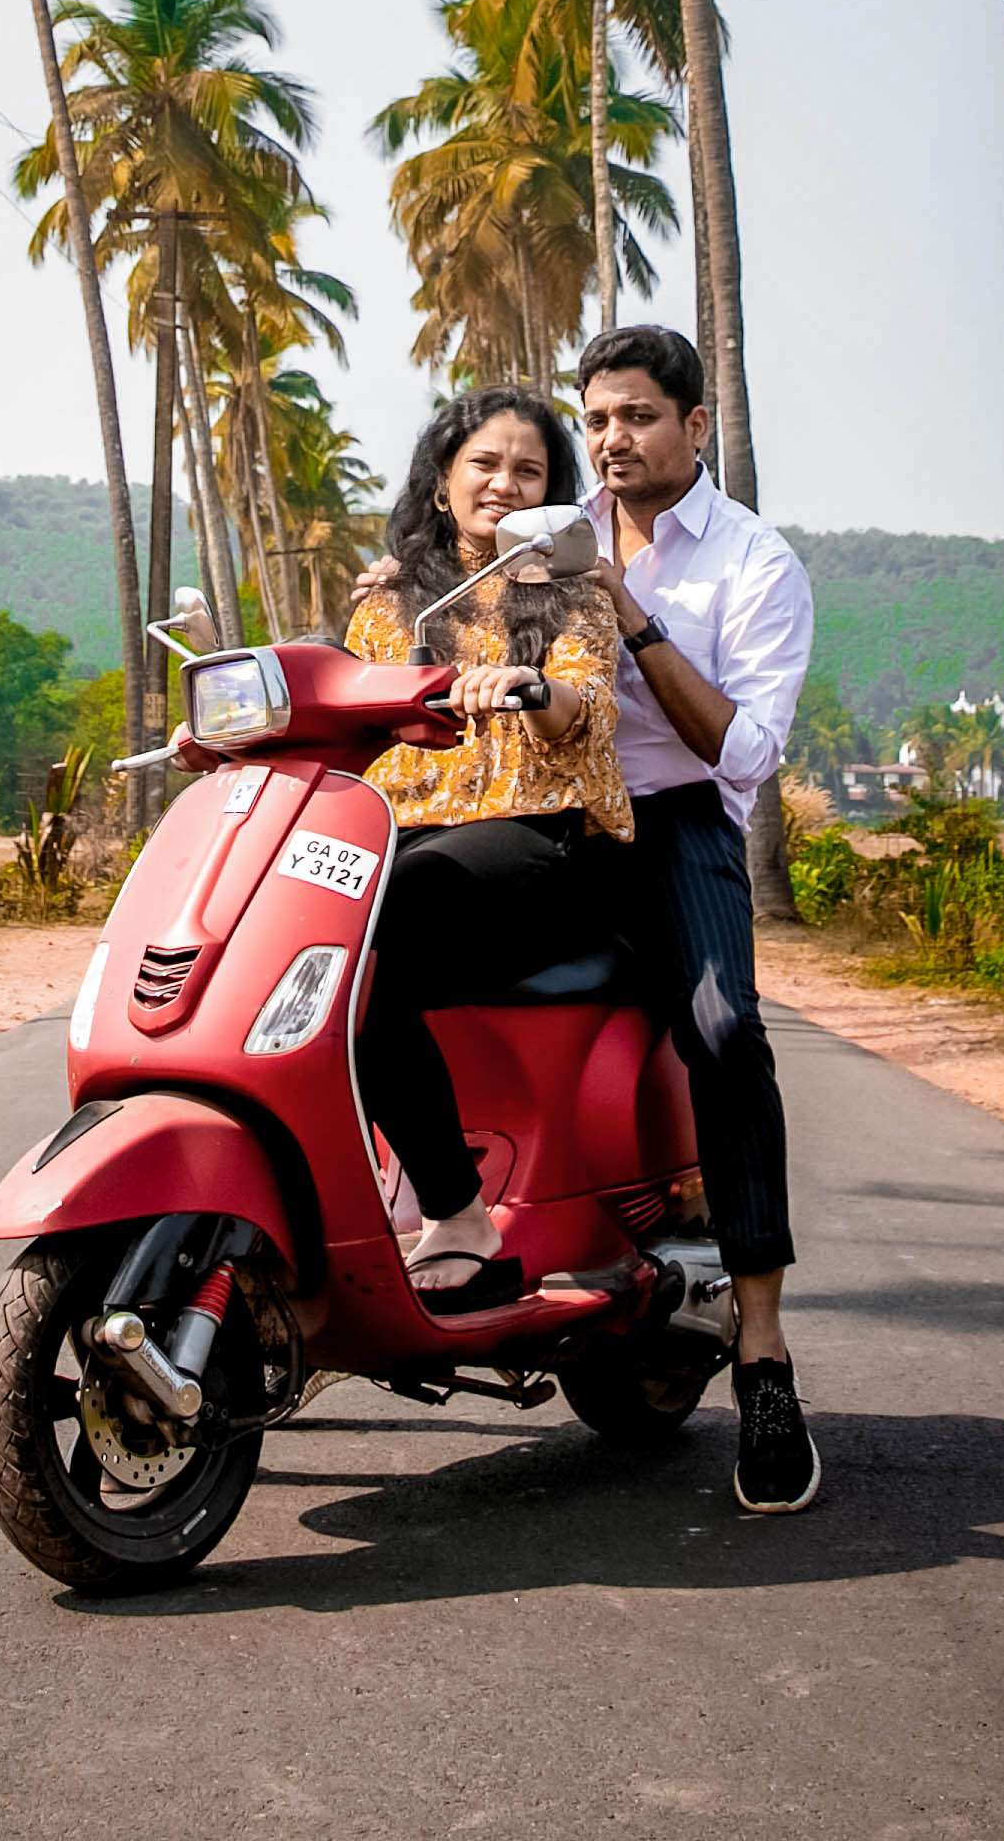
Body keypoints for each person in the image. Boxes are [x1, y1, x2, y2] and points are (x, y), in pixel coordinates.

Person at [568, 323, 820, 1517]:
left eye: (637, 416)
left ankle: (762, 1353)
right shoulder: (547, 532)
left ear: (695, 426)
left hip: (677, 825)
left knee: (725, 1031)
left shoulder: (755, 564)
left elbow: (746, 751)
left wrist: (628, 614)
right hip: (553, 818)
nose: (613, 439)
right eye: (599, 417)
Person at [340, 386, 633, 1315]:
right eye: (485, 464)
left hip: (545, 841)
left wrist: (531, 686)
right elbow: (350, 713)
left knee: (367, 940)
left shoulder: (574, 590)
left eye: (530, 471)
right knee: (300, 940)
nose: (504, 484)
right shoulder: (388, 600)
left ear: (554, 498)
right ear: (441, 483)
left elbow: (584, 707)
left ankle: (458, 1215)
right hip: (413, 840)